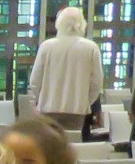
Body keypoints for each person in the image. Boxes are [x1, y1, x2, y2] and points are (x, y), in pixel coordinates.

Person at [27, 7, 104, 138]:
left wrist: (34, 102)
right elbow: (97, 83)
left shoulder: (47, 46)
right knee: (73, 147)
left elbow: (35, 80)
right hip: (77, 110)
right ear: (82, 24)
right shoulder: (91, 48)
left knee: (50, 147)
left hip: (48, 108)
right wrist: (85, 102)